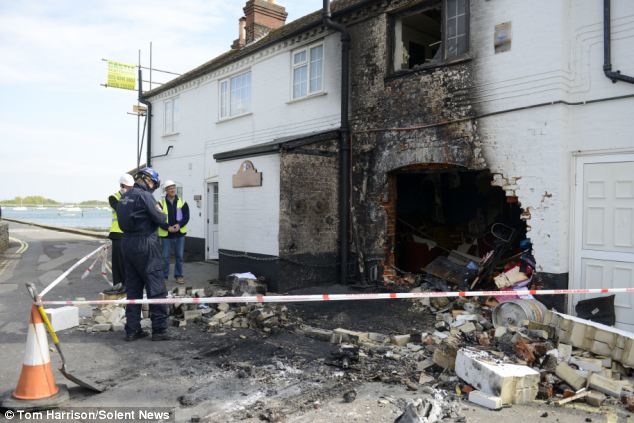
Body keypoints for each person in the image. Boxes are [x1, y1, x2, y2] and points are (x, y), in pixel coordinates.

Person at [116, 167, 169, 342]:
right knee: (156, 287)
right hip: (145, 243)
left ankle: (132, 330)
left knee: (133, 289)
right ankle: (159, 330)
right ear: (147, 180)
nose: (153, 186)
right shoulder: (145, 196)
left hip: (127, 244)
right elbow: (161, 219)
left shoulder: (124, 197)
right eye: (153, 183)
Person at [102, 174, 134, 295]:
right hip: (117, 234)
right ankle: (119, 284)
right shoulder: (113, 197)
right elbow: (120, 208)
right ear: (121, 186)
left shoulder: (132, 196)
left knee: (128, 261)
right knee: (118, 261)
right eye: (127, 187)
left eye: (131, 187)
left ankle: (127, 284)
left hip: (129, 233)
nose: (130, 189)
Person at [158, 180, 189, 284]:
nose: (172, 190)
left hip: (179, 234)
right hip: (166, 234)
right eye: (170, 188)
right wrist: (167, 227)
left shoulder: (182, 202)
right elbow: (158, 218)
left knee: (179, 256)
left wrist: (179, 225)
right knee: (165, 257)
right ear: (166, 190)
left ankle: (179, 275)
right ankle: (164, 277)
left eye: (173, 188)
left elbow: (186, 217)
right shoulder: (160, 203)